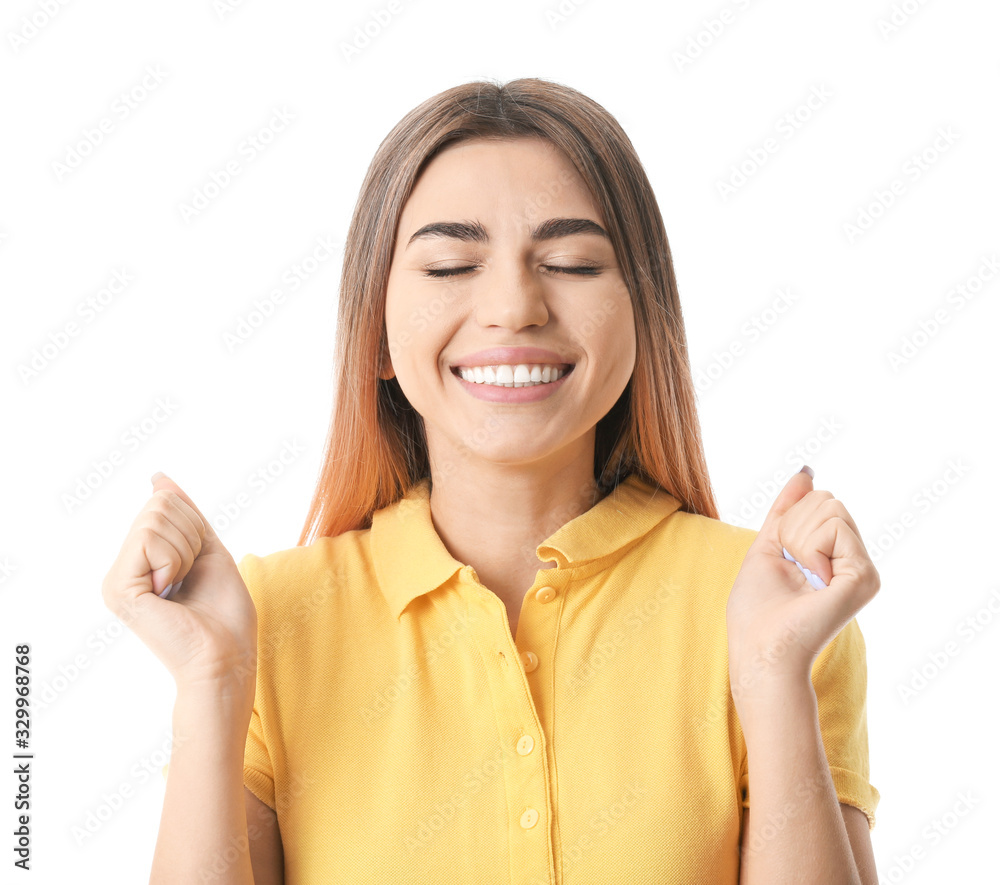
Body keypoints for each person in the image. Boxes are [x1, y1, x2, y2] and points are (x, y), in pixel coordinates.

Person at [102, 77, 881, 884]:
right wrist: (212, 684)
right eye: (450, 265)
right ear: (376, 334)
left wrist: (773, 677)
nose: (513, 307)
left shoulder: (773, 607)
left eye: (572, 262)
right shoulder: (269, 619)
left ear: (643, 317)